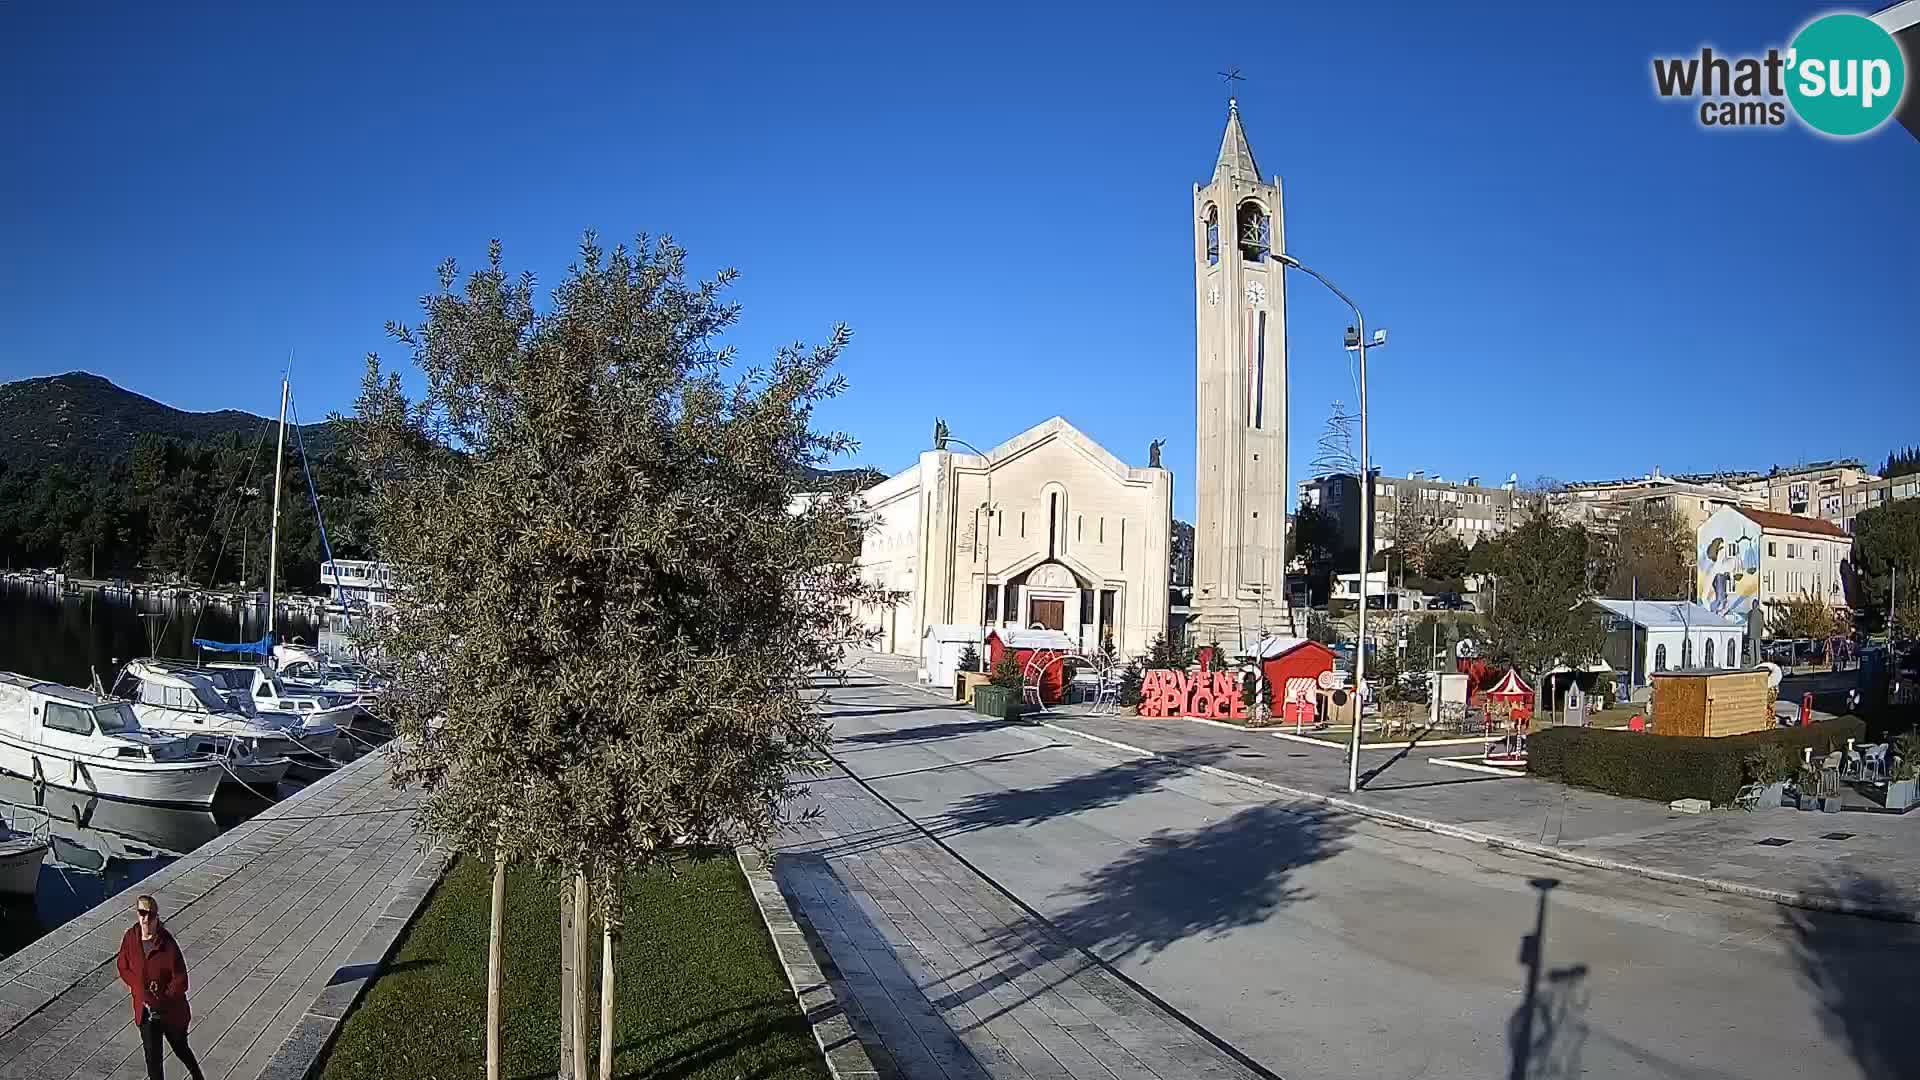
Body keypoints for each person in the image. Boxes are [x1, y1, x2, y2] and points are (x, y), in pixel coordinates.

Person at [116, 895, 205, 1080]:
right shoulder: (130, 938)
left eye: (150, 914)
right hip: (145, 1012)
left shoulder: (167, 944)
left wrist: (163, 998)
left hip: (169, 1011)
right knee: (153, 1059)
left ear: (157, 916)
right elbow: (123, 966)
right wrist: (138, 987)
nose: (146, 919)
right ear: (137, 914)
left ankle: (197, 1076)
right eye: (142, 913)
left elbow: (181, 979)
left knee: (180, 1047)